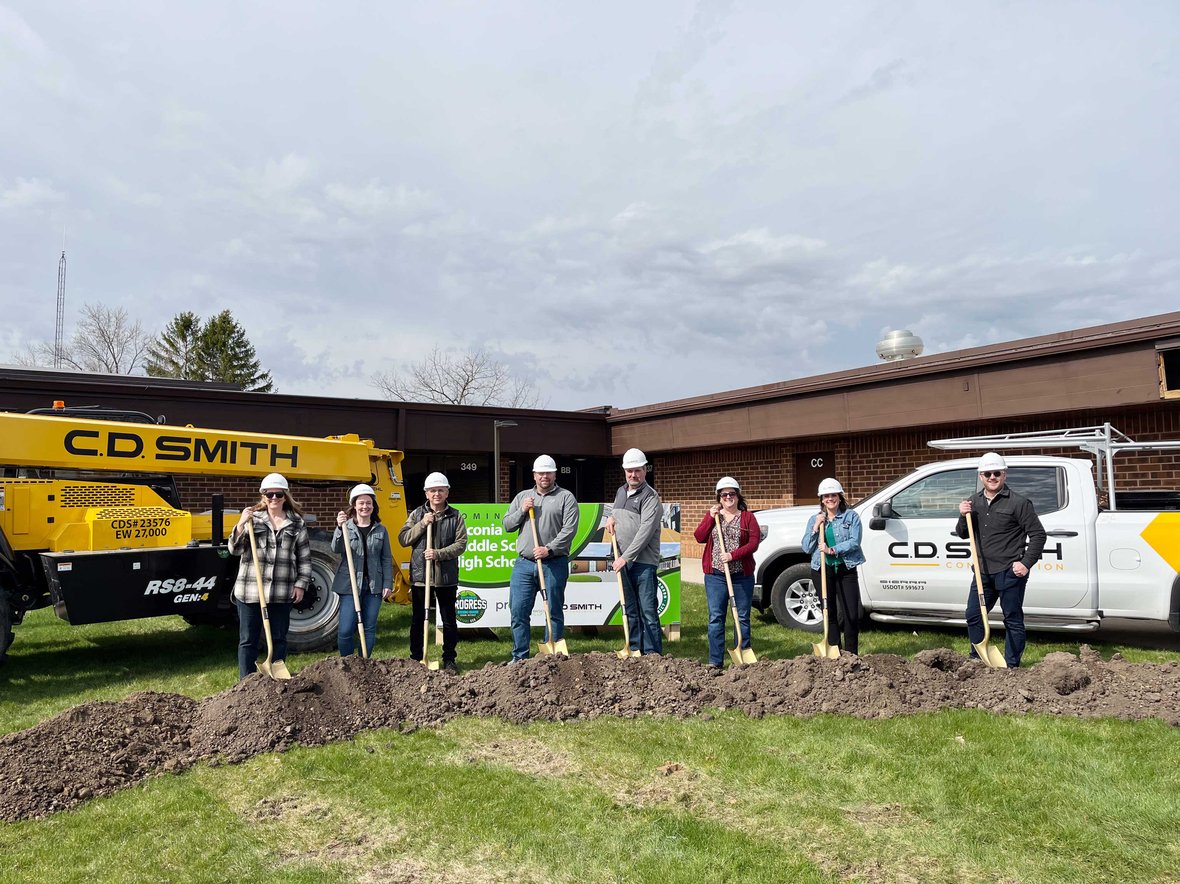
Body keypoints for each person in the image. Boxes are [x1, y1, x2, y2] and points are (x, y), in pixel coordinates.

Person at [956, 452, 1047, 668]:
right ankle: (978, 658)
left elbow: (1038, 535)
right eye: (987, 473)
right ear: (981, 476)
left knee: (1012, 619)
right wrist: (962, 515)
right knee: (974, 615)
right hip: (982, 573)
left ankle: (1012, 665)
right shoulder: (973, 502)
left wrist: (1025, 563)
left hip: (1009, 572)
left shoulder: (1019, 503)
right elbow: (962, 533)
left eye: (997, 473)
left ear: (1004, 475)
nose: (992, 477)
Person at [229, 472, 311, 679]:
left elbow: (304, 557)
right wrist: (240, 525)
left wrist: (301, 584)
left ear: (285, 496)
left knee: (279, 638)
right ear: (263, 496)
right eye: (269, 494)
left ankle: (277, 676)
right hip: (250, 591)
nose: (274, 498)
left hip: (281, 590)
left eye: (278, 494)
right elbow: (234, 550)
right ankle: (246, 682)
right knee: (248, 639)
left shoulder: (296, 523)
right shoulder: (252, 520)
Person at [502, 455, 579, 662]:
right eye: (540, 473)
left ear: (554, 474)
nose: (544, 476)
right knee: (518, 611)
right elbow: (507, 525)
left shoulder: (566, 497)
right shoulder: (523, 497)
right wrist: (522, 510)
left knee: (552, 611)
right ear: (534, 475)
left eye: (548, 472)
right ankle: (520, 658)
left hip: (554, 563)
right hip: (524, 565)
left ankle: (551, 658)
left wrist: (549, 549)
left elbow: (570, 529)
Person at [398, 472, 469, 673]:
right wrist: (422, 524)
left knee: (448, 619)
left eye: (440, 490)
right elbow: (403, 539)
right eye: (432, 491)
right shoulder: (416, 514)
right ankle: (416, 658)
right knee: (418, 619)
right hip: (422, 577)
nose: (436, 494)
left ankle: (449, 659)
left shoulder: (455, 516)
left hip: (445, 577)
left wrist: (438, 554)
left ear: (447, 492)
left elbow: (461, 544)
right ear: (426, 493)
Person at [693, 477, 761, 668]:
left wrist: (733, 555)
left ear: (738, 496)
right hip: (716, 575)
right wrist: (709, 516)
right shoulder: (715, 517)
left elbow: (753, 543)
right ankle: (715, 661)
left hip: (741, 575)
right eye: (724, 495)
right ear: (719, 497)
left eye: (732, 494)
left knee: (742, 617)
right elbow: (699, 537)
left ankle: (742, 656)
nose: (728, 497)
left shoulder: (748, 517)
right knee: (716, 618)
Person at [604, 448, 664, 655]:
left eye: (637, 470)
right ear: (624, 471)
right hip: (623, 561)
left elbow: (645, 533)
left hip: (643, 563)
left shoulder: (651, 497)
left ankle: (653, 655)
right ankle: (635, 649)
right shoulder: (621, 492)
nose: (633, 475)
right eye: (629, 471)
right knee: (630, 609)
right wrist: (611, 519)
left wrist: (625, 558)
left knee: (647, 610)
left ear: (645, 470)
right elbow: (616, 515)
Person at [801, 477, 865, 654]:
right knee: (829, 612)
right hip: (822, 570)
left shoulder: (851, 516)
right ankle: (835, 652)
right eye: (826, 496)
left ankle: (852, 655)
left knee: (852, 615)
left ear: (840, 496)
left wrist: (832, 550)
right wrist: (815, 527)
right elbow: (806, 547)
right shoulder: (816, 519)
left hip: (846, 569)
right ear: (821, 499)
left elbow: (855, 542)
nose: (830, 498)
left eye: (833, 495)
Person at [331, 483, 394, 658]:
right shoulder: (346, 527)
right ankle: (347, 663)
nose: (365, 506)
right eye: (361, 503)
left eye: (368, 503)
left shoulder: (381, 530)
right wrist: (338, 528)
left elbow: (386, 559)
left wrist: (388, 583)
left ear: (373, 506)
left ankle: (364, 663)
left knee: (368, 628)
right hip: (350, 584)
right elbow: (336, 548)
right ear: (354, 506)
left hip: (374, 585)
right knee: (345, 630)